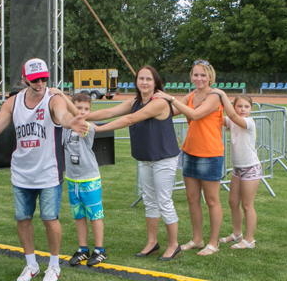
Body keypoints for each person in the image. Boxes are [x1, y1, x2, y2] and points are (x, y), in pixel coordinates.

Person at [0, 59, 77, 281]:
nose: (40, 83)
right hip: (21, 172)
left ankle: (54, 265)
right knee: (23, 219)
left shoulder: (53, 98)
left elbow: (62, 116)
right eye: (35, 80)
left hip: (49, 172)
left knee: (50, 219)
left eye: (43, 79)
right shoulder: (13, 103)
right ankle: (31, 264)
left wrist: (72, 122)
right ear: (24, 80)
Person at [80, 66, 182, 261]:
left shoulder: (159, 103)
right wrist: (83, 116)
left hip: (163, 159)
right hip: (145, 158)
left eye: (149, 79)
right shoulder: (135, 101)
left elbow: (130, 119)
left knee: (164, 201)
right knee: (149, 201)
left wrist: (99, 129)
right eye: (141, 78)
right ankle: (152, 243)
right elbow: (109, 111)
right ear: (136, 81)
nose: (144, 82)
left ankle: (173, 245)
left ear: (155, 83)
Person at [156, 61, 225, 256]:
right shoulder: (191, 95)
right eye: (195, 75)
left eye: (203, 75)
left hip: (210, 153)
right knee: (192, 198)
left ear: (210, 77)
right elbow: (170, 112)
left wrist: (170, 98)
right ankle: (197, 239)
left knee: (212, 200)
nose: (199, 78)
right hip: (189, 152)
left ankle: (213, 243)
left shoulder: (214, 97)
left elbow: (194, 115)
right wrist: (155, 103)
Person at [63, 93, 108, 267]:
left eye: (86, 109)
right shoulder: (65, 126)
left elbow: (79, 120)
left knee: (94, 215)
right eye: (78, 108)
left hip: (89, 179)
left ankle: (99, 250)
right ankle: (83, 248)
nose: (82, 112)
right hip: (72, 179)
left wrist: (61, 95)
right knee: (79, 215)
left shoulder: (87, 127)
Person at [216, 92, 261, 250]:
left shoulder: (248, 122)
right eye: (239, 106)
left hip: (251, 168)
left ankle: (250, 240)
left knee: (247, 205)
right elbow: (218, 118)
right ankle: (237, 234)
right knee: (233, 202)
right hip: (238, 169)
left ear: (251, 109)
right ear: (234, 107)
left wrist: (222, 95)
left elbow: (233, 117)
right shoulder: (232, 121)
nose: (243, 109)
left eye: (246, 106)